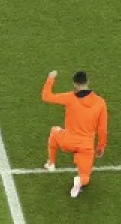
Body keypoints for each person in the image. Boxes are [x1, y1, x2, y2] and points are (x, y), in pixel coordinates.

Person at [41, 70, 109, 198]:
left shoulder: (70, 98)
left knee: (54, 131)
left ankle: (51, 163)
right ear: (88, 82)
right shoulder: (100, 102)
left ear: (75, 84)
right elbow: (102, 129)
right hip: (86, 146)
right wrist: (101, 146)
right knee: (85, 176)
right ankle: (78, 182)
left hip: (68, 141)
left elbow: (46, 96)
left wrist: (50, 78)